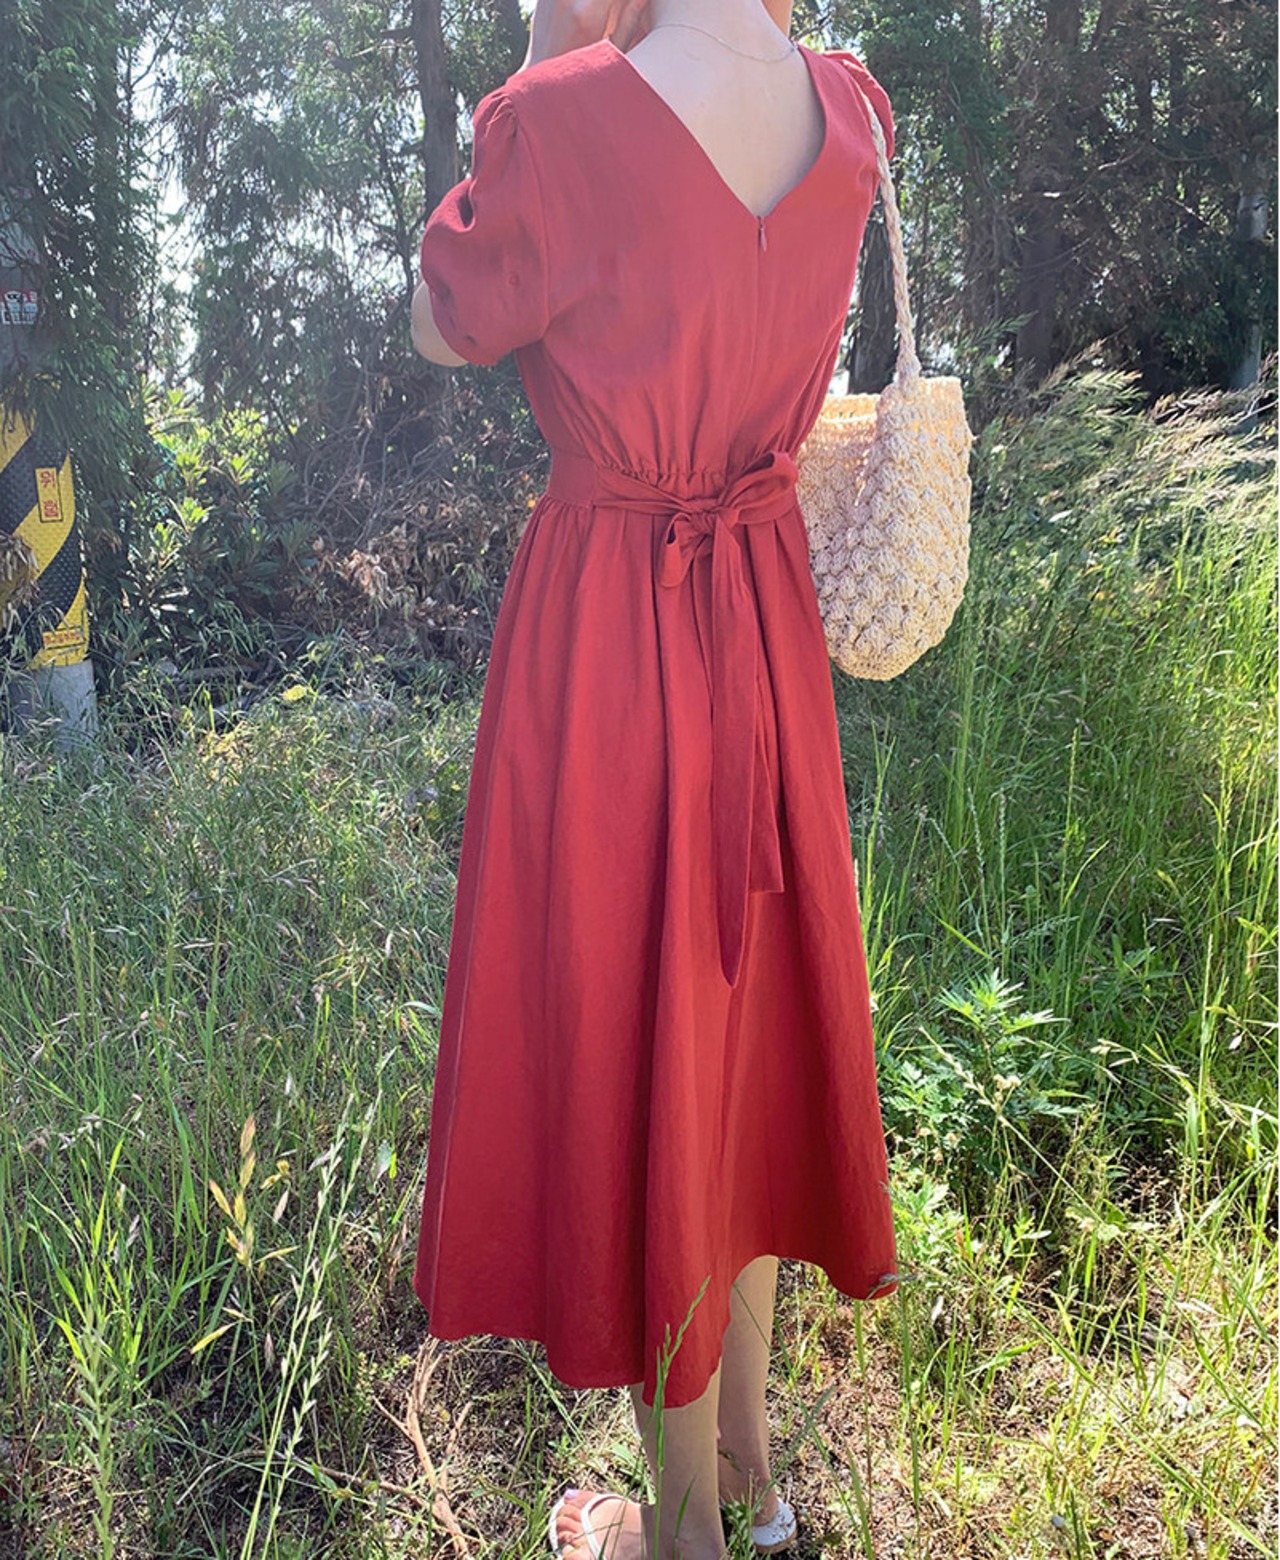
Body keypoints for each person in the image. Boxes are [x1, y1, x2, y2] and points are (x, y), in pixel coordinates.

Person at [410, 0, 901, 1552]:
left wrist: (551, 48)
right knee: (736, 1048)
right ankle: (749, 1484)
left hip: (614, 636)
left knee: (643, 1056)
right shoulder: (848, 111)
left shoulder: (559, 116)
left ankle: (676, 1529)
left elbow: (445, 319)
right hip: (760, 617)